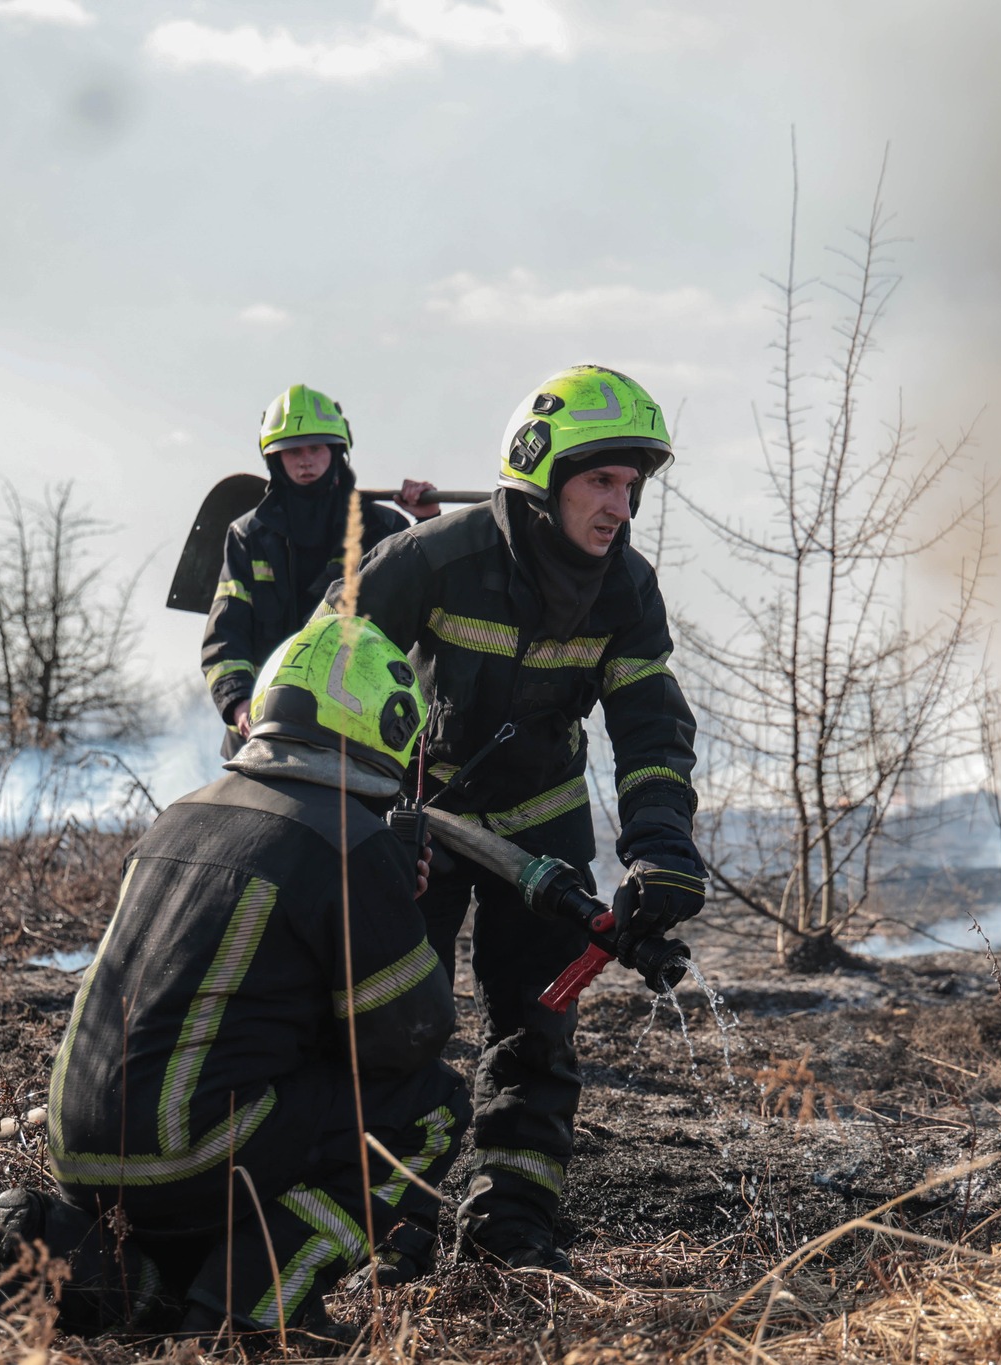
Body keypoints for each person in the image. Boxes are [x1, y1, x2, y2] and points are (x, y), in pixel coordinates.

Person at [0, 616, 467, 1345]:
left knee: (233, 1138)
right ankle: (249, 1312)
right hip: (193, 1149)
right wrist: (397, 899)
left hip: (80, 1148)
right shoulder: (350, 838)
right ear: (389, 725)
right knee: (434, 1105)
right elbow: (413, 1036)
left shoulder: (181, 813)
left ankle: (88, 1262)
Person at [330, 363, 706, 1271]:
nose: (621, 506)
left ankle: (513, 1227)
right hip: (414, 820)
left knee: (535, 1030)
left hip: (543, 823)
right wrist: (354, 823)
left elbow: (651, 722)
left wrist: (660, 845)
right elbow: (325, 682)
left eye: (632, 486)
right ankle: (391, 1224)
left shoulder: (628, 589)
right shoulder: (430, 559)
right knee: (392, 1027)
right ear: (539, 474)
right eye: (600, 481)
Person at [201, 383, 440, 757]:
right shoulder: (248, 536)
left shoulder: (383, 529)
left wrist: (426, 523)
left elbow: (428, 608)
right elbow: (225, 636)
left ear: (337, 451)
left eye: (316, 448)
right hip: (263, 723)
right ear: (274, 459)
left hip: (360, 724)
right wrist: (238, 705)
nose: (305, 460)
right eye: (292, 451)